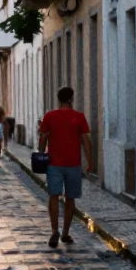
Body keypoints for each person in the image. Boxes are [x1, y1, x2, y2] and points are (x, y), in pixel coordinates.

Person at [38, 86, 93, 248]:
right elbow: (85, 140)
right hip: (73, 164)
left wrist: (41, 154)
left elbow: (43, 138)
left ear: (59, 99)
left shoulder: (49, 116)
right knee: (70, 198)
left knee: (53, 196)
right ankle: (65, 233)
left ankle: (54, 231)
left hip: (53, 163)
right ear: (71, 99)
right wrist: (90, 161)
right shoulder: (79, 117)